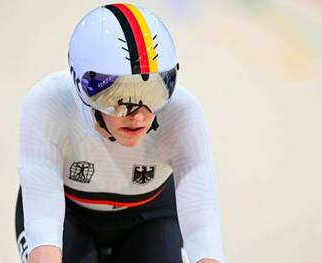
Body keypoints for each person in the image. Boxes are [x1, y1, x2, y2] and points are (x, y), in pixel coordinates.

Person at [15, 3, 225, 263]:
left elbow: (202, 225)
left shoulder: (183, 112)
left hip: (149, 219)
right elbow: (43, 218)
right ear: (84, 89)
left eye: (153, 93)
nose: (138, 115)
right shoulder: (48, 104)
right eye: (117, 97)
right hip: (67, 215)